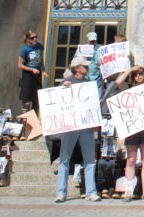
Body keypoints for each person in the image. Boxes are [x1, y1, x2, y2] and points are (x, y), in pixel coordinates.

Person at [55, 57, 100, 203]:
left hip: (86, 126)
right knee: (64, 159)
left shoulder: (89, 83)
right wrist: (63, 88)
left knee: (89, 159)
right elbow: (56, 101)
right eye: (84, 66)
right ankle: (61, 192)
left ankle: (91, 191)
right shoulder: (67, 82)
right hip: (71, 126)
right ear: (76, 68)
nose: (86, 69)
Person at [114, 65, 144, 201]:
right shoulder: (129, 89)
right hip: (132, 127)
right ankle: (128, 191)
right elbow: (118, 82)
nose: (138, 76)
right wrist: (130, 70)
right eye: (136, 74)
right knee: (131, 160)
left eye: (141, 73)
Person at [17, 30, 47, 113]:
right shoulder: (25, 49)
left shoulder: (40, 46)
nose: (35, 39)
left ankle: (34, 120)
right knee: (26, 99)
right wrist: (31, 69)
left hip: (37, 74)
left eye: (36, 37)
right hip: (28, 75)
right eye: (32, 38)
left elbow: (40, 59)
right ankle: (25, 120)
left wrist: (43, 70)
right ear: (28, 39)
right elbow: (19, 65)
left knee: (37, 99)